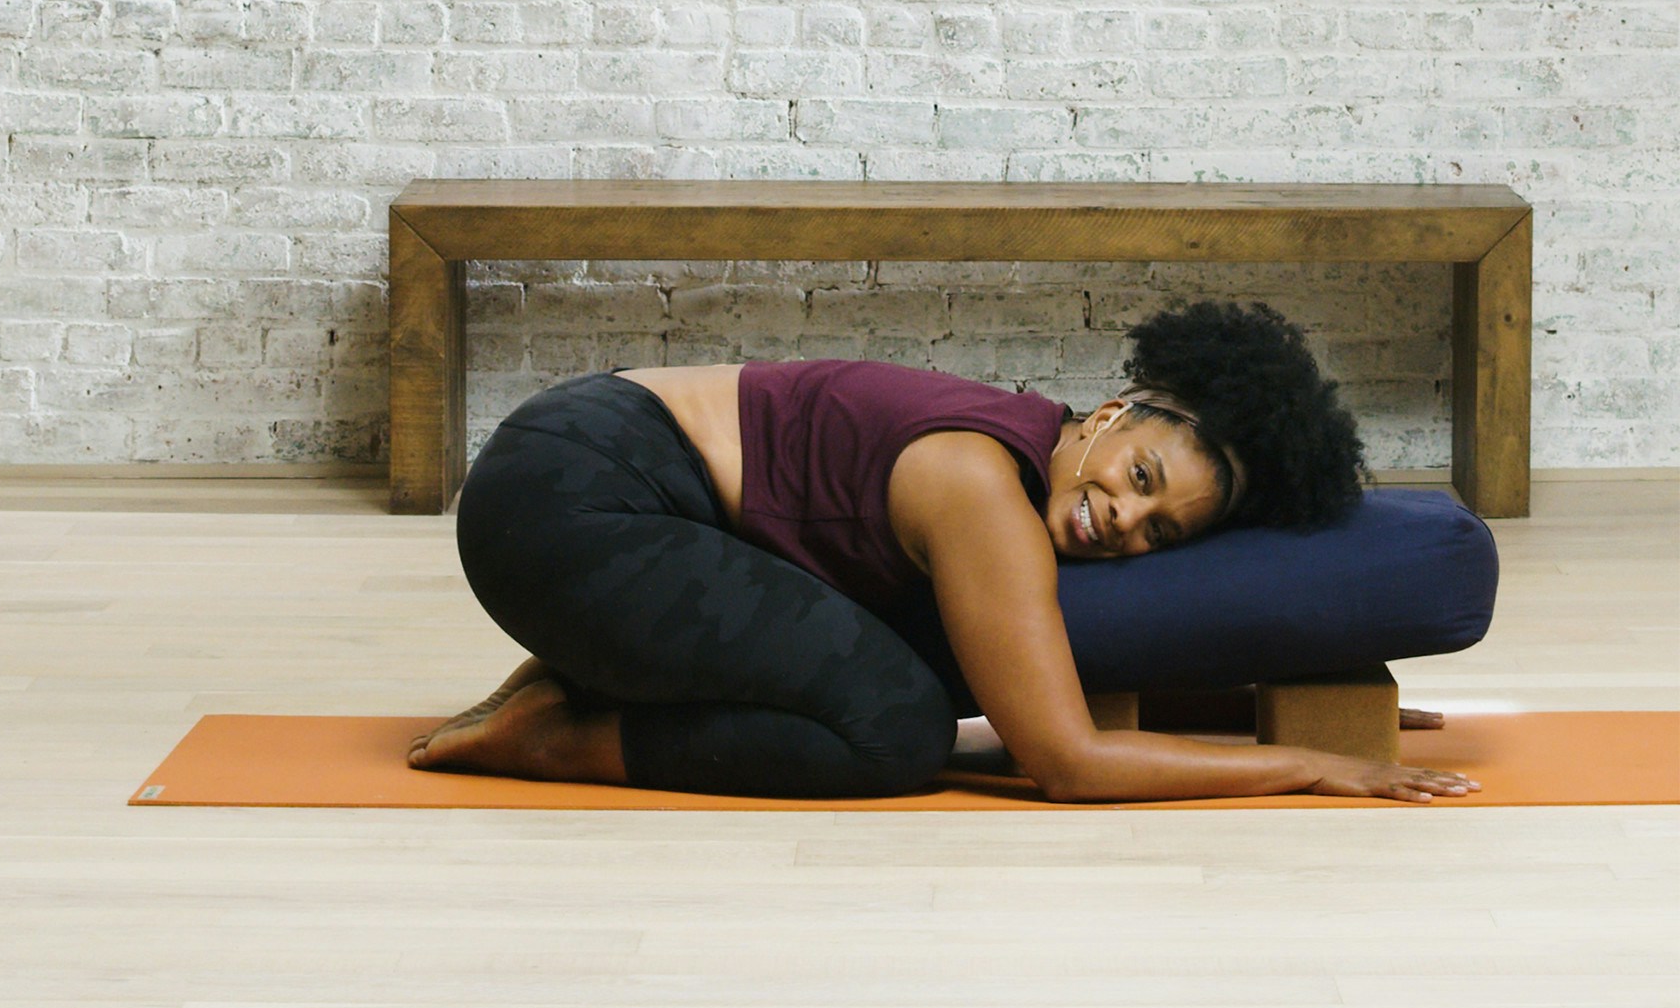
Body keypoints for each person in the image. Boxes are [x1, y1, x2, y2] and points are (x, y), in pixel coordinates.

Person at [409, 302, 1480, 804]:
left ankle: (575, 674)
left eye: (1159, 530)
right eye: (1140, 477)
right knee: (895, 731)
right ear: (1112, 415)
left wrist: (1249, 697)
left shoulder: (1030, 447)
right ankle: (554, 738)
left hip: (604, 488)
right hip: (569, 501)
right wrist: (1310, 764)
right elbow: (1068, 763)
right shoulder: (980, 488)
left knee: (872, 685)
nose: (1124, 519)